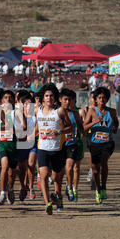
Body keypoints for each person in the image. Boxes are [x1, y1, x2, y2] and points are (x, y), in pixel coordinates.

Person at [35, 84, 73, 214]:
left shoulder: (60, 111)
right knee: (44, 175)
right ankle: (47, 203)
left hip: (57, 148)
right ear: (42, 98)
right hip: (42, 148)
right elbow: (37, 128)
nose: (49, 98)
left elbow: (70, 127)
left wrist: (59, 131)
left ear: (55, 97)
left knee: (57, 178)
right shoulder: (37, 110)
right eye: (46, 96)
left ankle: (59, 196)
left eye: (51, 96)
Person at [83, 87, 119, 204]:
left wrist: (115, 127)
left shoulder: (112, 112)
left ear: (107, 99)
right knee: (95, 169)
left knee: (104, 161)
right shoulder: (92, 111)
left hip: (107, 143)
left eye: (104, 98)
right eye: (99, 98)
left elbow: (116, 121)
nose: (102, 100)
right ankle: (98, 189)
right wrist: (95, 122)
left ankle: (103, 187)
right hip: (95, 144)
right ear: (96, 100)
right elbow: (83, 127)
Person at [0, 90, 26, 205]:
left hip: (14, 144)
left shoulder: (16, 112)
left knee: (12, 172)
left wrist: (15, 130)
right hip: (2, 143)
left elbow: (24, 126)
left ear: (14, 100)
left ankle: (11, 189)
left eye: (10, 98)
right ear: (2, 100)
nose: (8, 100)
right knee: (5, 165)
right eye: (5, 98)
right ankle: (2, 193)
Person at [60, 89, 84, 203]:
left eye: (69, 100)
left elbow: (80, 125)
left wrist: (83, 133)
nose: (67, 102)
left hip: (72, 144)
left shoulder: (75, 114)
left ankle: (70, 188)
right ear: (60, 100)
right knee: (59, 172)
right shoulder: (56, 113)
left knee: (70, 167)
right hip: (59, 145)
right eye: (65, 99)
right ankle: (60, 192)